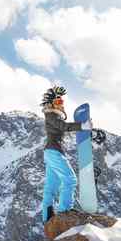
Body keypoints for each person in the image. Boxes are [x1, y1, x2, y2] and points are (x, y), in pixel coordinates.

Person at [41, 86, 92, 223]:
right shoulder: (51, 115)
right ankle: (64, 210)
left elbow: (62, 126)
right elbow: (64, 127)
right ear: (51, 104)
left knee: (52, 185)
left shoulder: (52, 116)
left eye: (62, 102)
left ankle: (47, 218)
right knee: (70, 179)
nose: (61, 104)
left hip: (51, 152)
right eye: (58, 102)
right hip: (54, 152)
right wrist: (82, 126)